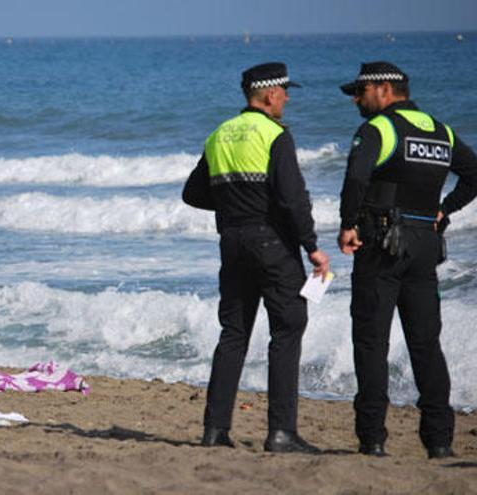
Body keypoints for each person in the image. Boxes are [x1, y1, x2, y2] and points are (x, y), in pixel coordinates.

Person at [183, 62, 331, 453]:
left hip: (231, 242)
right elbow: (292, 198)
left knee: (233, 334)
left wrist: (232, 203)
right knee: (288, 327)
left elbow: (193, 194)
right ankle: (281, 432)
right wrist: (312, 246)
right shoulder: (274, 134)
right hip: (271, 244)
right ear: (269, 94)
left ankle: (215, 431)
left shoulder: (219, 134)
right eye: (284, 91)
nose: (287, 98)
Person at [337, 61, 477, 459]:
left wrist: (348, 224)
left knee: (371, 343)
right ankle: (439, 440)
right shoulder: (440, 130)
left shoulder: (379, 129)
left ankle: (373, 438)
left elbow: (356, 179)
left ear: (384, 89)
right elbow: (474, 174)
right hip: (423, 246)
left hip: (382, 245)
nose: (355, 99)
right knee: (426, 344)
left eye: (360, 91)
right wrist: (444, 211)